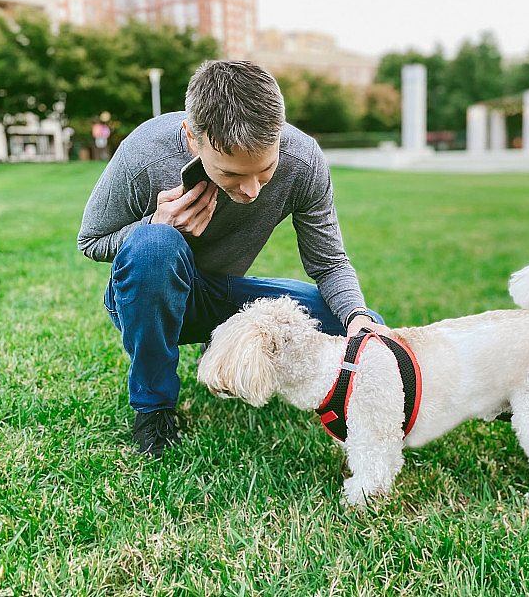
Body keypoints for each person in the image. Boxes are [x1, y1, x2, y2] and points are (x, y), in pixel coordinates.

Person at [78, 60, 389, 458]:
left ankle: (346, 402)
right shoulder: (144, 155)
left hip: (223, 295)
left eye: (265, 170)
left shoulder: (303, 159)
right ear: (193, 138)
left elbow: (329, 263)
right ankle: (153, 408)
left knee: (366, 326)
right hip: (151, 292)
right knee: (153, 244)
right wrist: (154, 223)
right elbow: (92, 240)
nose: (252, 191)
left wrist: (356, 317)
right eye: (231, 175)